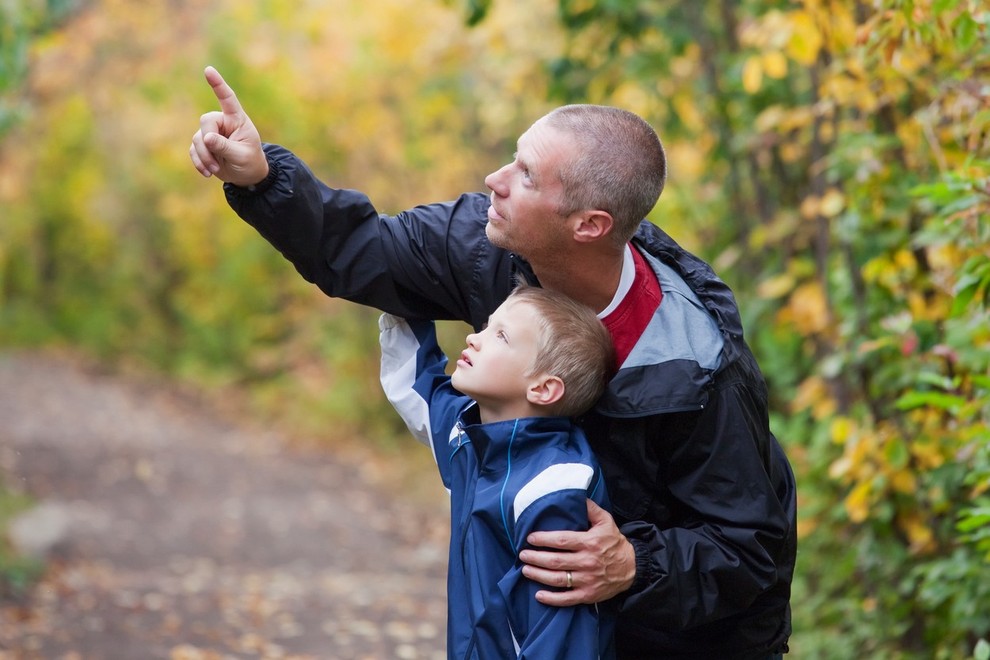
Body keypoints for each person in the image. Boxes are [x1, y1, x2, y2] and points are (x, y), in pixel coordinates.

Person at [190, 65, 797, 659]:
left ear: (589, 225)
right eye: (513, 157)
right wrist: (263, 179)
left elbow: (751, 549)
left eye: (526, 176)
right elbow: (358, 248)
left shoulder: (697, 364)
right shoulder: (484, 246)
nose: (494, 179)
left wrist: (636, 564)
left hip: (687, 641)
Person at [379, 285, 616, 659]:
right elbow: (416, 389)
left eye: (501, 336)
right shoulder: (470, 436)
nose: (475, 337)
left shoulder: (553, 486)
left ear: (543, 388)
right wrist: (392, 286)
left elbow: (562, 636)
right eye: (487, 326)